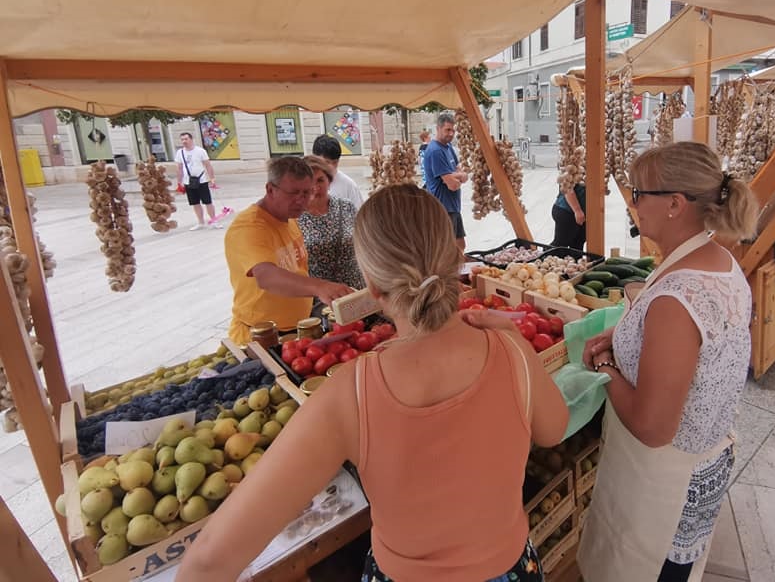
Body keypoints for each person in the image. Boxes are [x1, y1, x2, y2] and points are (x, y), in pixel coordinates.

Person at [177, 184, 569, 582]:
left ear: (372, 284)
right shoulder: (511, 349)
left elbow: (208, 561)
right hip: (512, 571)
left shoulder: (350, 392)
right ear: (456, 258)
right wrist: (516, 339)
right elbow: (554, 430)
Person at [576, 142, 758, 582]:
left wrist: (605, 369)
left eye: (639, 193)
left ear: (676, 204)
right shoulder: (716, 261)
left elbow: (653, 427)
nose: (633, 203)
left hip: (666, 485)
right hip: (701, 464)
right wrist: (622, 334)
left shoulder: (677, 299)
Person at [223, 156, 352, 344]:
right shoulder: (249, 227)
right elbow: (266, 276)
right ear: (270, 189)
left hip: (297, 329)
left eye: (307, 192)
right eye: (294, 193)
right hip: (260, 336)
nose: (302, 200)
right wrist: (320, 287)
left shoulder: (290, 218)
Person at [299, 156, 364, 310]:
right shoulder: (295, 216)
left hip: (354, 290)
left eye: (320, 180)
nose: (315, 187)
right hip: (319, 299)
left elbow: (363, 242)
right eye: (310, 182)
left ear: (329, 181)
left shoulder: (346, 207)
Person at [423, 111, 469, 253]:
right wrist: (458, 177)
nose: (451, 134)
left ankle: (458, 273)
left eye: (453, 130)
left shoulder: (448, 147)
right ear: (438, 128)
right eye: (447, 130)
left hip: (453, 207)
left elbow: (461, 172)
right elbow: (453, 185)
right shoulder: (436, 151)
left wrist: (455, 175)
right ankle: (446, 275)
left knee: (460, 245)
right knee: (446, 250)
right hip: (443, 208)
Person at [176, 132, 220, 230]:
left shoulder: (200, 151)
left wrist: (212, 178)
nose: (184, 141)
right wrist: (179, 182)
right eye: (182, 139)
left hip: (202, 180)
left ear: (191, 139)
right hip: (188, 181)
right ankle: (200, 222)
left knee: (207, 201)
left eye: (186, 139)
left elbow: (208, 165)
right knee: (195, 203)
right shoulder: (180, 153)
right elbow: (179, 168)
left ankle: (214, 220)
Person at [312, 134, 365, 209]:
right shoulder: (304, 184)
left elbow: (359, 215)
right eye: (326, 162)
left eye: (335, 162)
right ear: (314, 158)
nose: (331, 167)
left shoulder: (348, 185)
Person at [550, 183, 586, 250]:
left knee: (578, 243)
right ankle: (544, 258)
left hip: (585, 211)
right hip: (567, 211)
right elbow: (567, 187)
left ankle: (575, 260)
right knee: (561, 245)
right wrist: (577, 210)